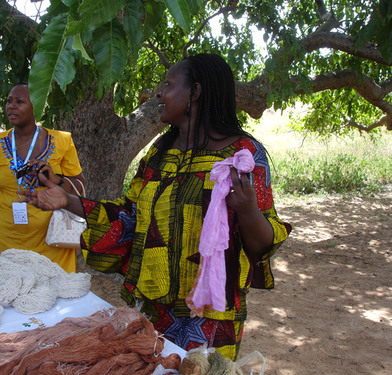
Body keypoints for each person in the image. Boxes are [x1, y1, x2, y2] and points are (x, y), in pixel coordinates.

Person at [18, 54, 291, 360]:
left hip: (211, 319)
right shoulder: (160, 153)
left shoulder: (242, 154)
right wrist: (68, 201)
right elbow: (130, 218)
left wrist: (249, 210)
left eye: (169, 84)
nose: (159, 92)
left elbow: (263, 245)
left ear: (195, 92)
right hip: (152, 308)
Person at [0, 82, 86, 273]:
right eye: (9, 101)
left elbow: (79, 185)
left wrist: (56, 180)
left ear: (36, 105)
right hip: (5, 242)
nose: (11, 106)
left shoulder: (62, 141)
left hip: (53, 241)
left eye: (19, 101)